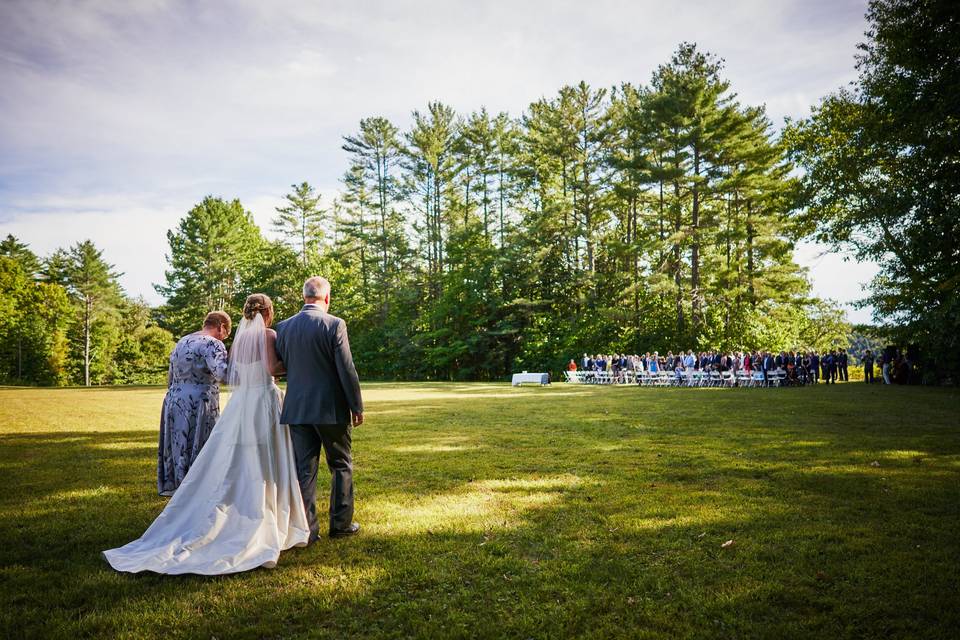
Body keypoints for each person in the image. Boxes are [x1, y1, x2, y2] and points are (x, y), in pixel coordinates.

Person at [104, 294, 310, 574]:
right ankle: (265, 511)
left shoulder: (235, 339)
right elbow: (268, 368)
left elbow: (233, 374)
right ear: (269, 312)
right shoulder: (267, 335)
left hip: (230, 402)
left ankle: (221, 496)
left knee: (235, 454)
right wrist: (292, 368)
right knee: (266, 453)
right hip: (258, 399)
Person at [276, 276, 365, 541]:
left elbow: (282, 367)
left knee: (304, 470)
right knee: (340, 465)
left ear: (304, 297)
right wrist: (356, 405)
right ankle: (340, 525)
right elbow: (346, 369)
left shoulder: (283, 327)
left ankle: (306, 530)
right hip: (330, 409)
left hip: (297, 408)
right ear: (327, 298)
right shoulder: (335, 324)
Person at [157, 311, 231, 496]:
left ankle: (179, 484)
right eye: (226, 333)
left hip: (174, 397)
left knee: (179, 443)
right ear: (221, 326)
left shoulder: (182, 341)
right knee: (202, 442)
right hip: (199, 401)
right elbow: (222, 374)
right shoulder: (213, 344)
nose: (224, 337)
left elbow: (171, 375)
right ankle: (198, 486)